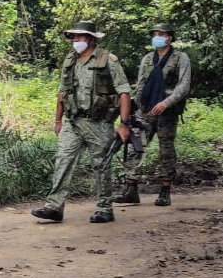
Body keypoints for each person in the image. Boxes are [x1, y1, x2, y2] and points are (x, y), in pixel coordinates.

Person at [32, 21, 132, 224]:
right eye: (73, 37)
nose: (76, 40)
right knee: (63, 160)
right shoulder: (70, 61)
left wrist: (124, 123)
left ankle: (105, 209)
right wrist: (58, 119)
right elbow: (62, 92)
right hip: (73, 121)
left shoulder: (108, 61)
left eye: (80, 36)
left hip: (99, 123)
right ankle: (54, 207)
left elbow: (124, 92)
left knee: (101, 166)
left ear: (92, 38)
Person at [113, 23, 192, 207]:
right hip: (146, 111)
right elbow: (140, 84)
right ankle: (130, 189)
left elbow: (184, 85)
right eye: (155, 33)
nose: (157, 36)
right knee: (134, 145)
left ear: (170, 37)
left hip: (167, 111)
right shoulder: (148, 58)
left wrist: (167, 102)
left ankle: (165, 190)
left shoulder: (180, 58)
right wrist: (136, 107)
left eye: (161, 33)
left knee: (166, 151)